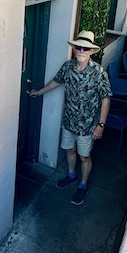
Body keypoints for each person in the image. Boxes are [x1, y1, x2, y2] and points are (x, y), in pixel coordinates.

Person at [28, 30, 111, 206]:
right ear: (74, 49)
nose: (81, 51)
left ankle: (83, 185)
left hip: (87, 126)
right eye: (78, 47)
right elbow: (56, 82)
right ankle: (72, 176)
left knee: (84, 157)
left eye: (85, 48)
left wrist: (101, 125)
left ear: (91, 52)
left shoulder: (98, 73)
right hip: (69, 122)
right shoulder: (68, 66)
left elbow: (106, 99)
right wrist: (39, 92)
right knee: (69, 150)